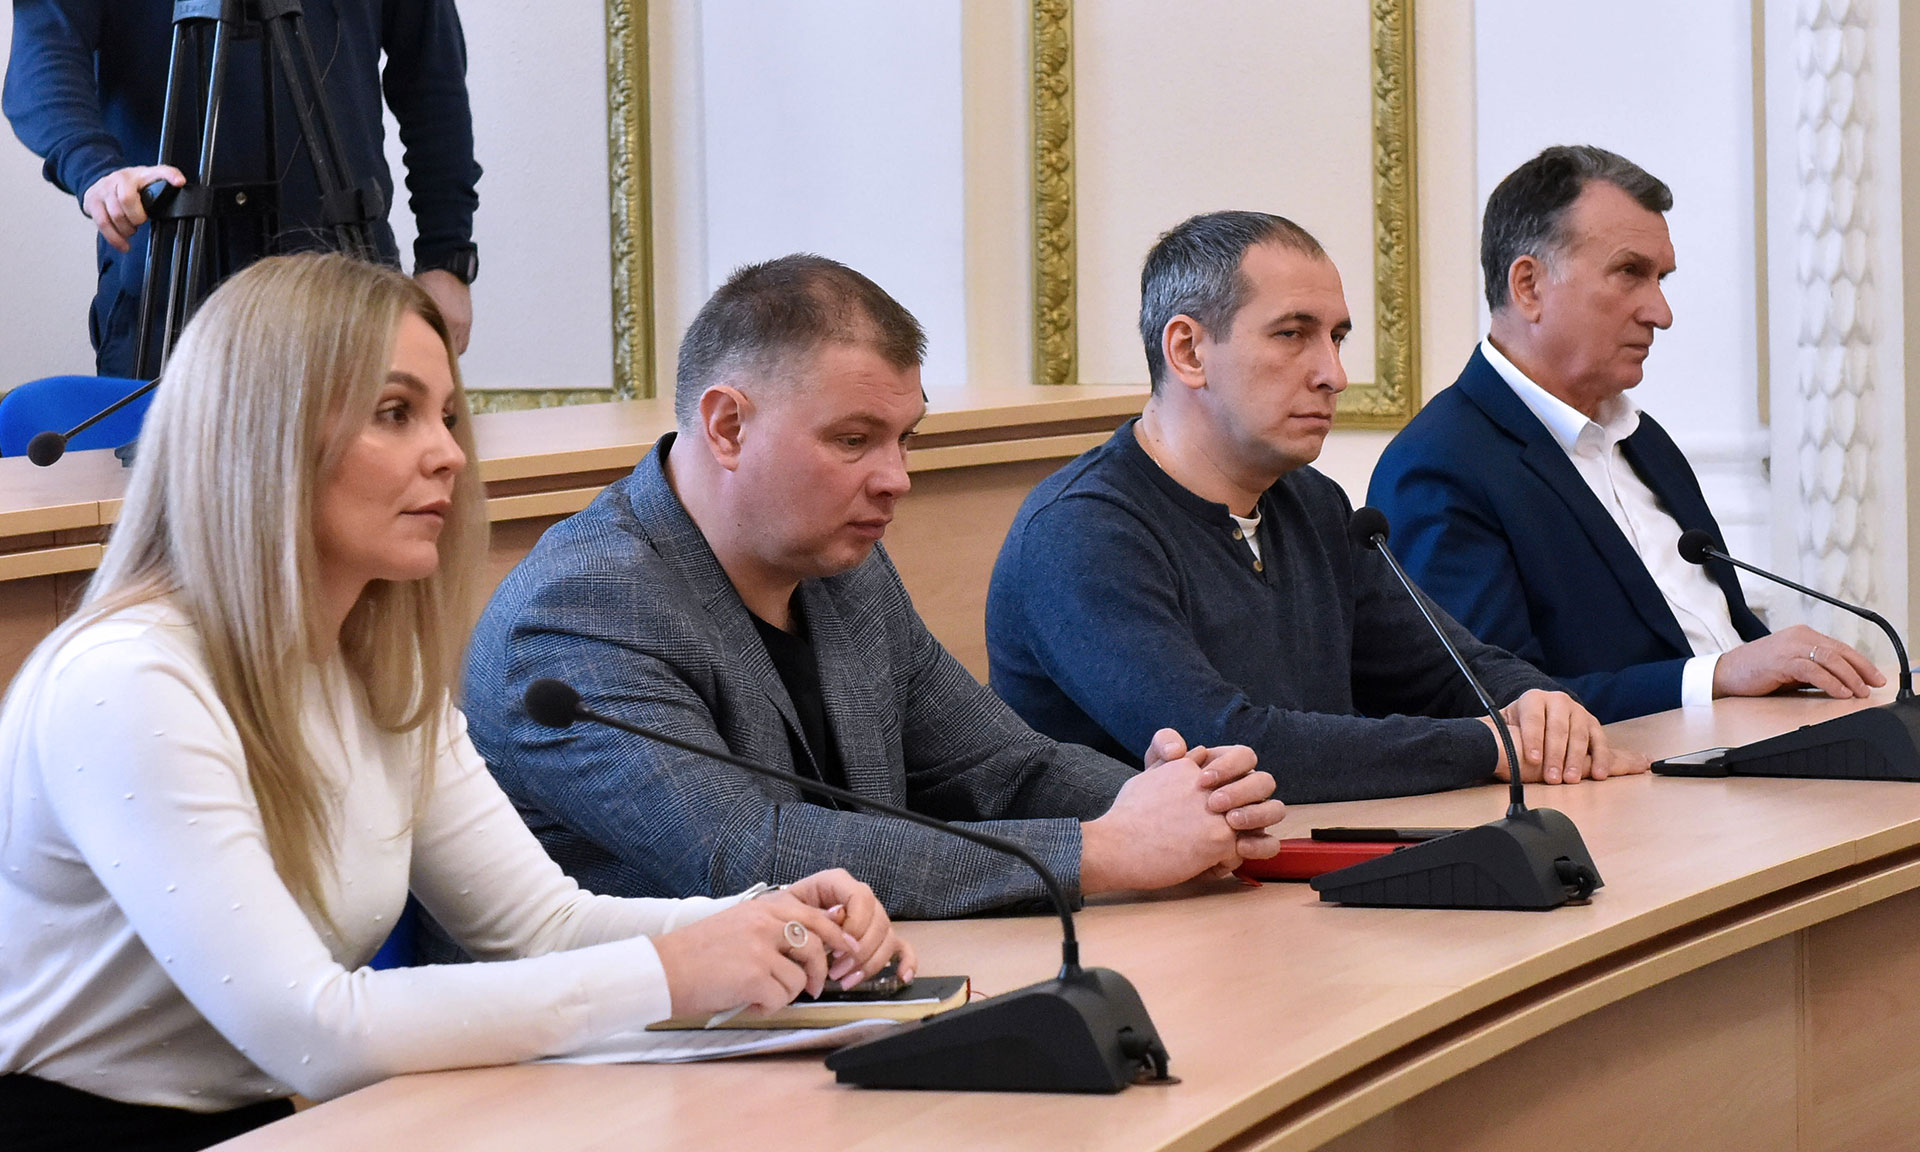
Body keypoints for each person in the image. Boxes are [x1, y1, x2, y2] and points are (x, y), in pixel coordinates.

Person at [0, 253, 910, 1152]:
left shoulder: (372, 668)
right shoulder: (127, 680)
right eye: (395, 414)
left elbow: (540, 926)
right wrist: (673, 971)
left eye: (444, 416)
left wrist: (771, 921)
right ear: (263, 435)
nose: (448, 453)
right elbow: (315, 1032)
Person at [459, 253, 1286, 921]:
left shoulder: (844, 572)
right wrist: (1105, 850)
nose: (896, 479)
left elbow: (1003, 768)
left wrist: (1176, 804)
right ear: (727, 426)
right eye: (854, 440)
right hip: (627, 1049)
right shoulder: (576, 613)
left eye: (904, 439)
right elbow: (745, 854)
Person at [987, 211, 1646, 804]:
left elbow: (1453, 670)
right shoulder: (1081, 533)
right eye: (1292, 335)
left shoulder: (1312, 503)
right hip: (1139, 896)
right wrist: (1489, 745)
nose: (1334, 374)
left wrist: (1539, 706)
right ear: (1188, 351)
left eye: (1337, 338)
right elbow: (1229, 745)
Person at [1369, 145, 1882, 723]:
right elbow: (1495, 708)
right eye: (1630, 273)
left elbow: (1726, 635)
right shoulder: (1439, 465)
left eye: (1661, 279)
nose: (1661, 313)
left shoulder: (1644, 439)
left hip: (1752, 747)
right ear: (1529, 286)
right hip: (1635, 775)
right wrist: (1717, 676)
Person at [3, 0, 482, 376]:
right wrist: (95, 172)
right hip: (168, 284)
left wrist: (447, 259)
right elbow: (43, 60)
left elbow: (432, 86)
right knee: (161, 473)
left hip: (346, 282)